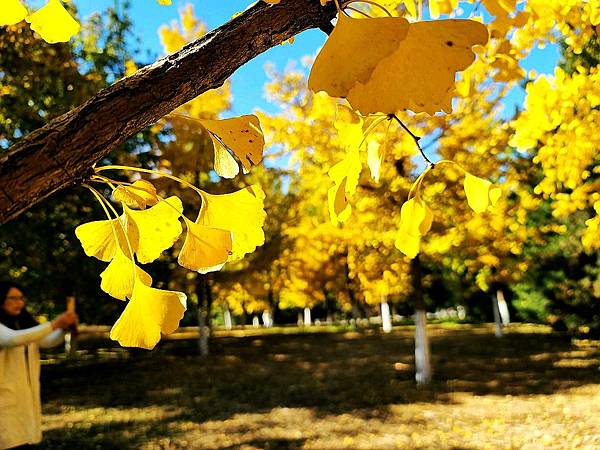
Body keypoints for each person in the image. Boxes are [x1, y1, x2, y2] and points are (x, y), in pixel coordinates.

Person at [0, 281, 78, 450]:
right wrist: (54, 324)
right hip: (3, 401)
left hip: (24, 399)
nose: (19, 302)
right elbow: (12, 339)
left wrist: (64, 329)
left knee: (24, 439)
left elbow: (47, 341)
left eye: (21, 298)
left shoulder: (25, 324)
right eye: (13, 298)